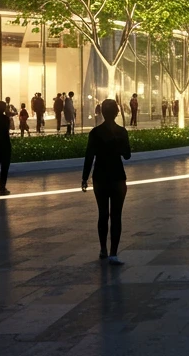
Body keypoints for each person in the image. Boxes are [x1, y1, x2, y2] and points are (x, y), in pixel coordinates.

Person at [82, 98, 131, 264]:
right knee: (116, 215)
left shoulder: (95, 133)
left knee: (103, 214)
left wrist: (84, 177)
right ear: (117, 112)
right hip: (117, 176)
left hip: (100, 177)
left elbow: (89, 156)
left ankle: (103, 248)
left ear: (102, 112)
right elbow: (127, 155)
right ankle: (113, 253)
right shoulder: (122, 132)